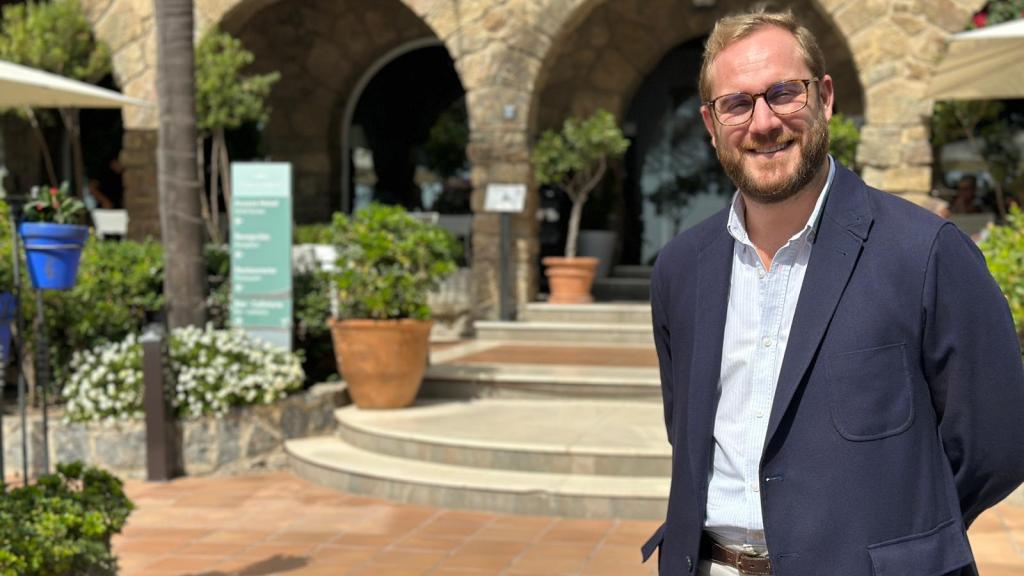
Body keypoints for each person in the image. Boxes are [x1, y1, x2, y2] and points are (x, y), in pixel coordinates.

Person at [641, 8, 1024, 576]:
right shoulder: (679, 268)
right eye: (737, 103)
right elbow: (689, 434)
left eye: (782, 93)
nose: (763, 121)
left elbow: (997, 443)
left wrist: (900, 544)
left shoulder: (925, 252)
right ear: (711, 122)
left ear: (824, 97)